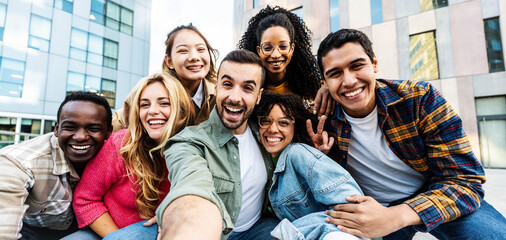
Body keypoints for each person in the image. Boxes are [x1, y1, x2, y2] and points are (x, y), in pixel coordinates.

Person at [315, 28, 506, 239]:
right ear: (324, 81)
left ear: (375, 64)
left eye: (357, 66)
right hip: (371, 205)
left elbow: (465, 181)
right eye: (335, 73)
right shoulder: (322, 118)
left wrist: (395, 216)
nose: (349, 81)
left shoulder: (420, 99)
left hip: (432, 192)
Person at [156, 50, 279, 240]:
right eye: (227, 85)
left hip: (258, 228)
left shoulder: (267, 133)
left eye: (247, 88)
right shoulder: (189, 141)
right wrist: (183, 223)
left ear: (259, 96)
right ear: (216, 87)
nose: (235, 97)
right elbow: (193, 188)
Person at [70, 74, 194, 239]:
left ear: (182, 110)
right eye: (144, 105)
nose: (152, 111)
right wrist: (118, 237)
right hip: (106, 230)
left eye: (164, 103)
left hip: (158, 231)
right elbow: (84, 199)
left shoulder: (193, 151)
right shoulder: (121, 143)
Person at [0, 92, 112, 240]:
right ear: (56, 129)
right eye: (70, 128)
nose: (80, 137)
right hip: (32, 232)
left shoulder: (116, 156)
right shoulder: (19, 162)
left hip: (90, 227)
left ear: (109, 132)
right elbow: (4, 228)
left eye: (93, 129)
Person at [254, 92, 364, 240]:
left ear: (295, 127)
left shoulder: (298, 154)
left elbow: (352, 207)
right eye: (266, 121)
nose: (273, 129)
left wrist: (289, 232)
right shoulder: (260, 161)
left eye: (284, 122)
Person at [112, 23, 218, 132]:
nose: (194, 57)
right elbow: (117, 122)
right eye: (183, 51)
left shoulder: (219, 93)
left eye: (200, 49)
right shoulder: (149, 89)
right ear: (169, 61)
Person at [237, 6, 322, 112]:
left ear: (292, 48)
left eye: (283, 46)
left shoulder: (312, 84)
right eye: (267, 48)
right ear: (258, 50)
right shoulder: (248, 87)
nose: (276, 55)